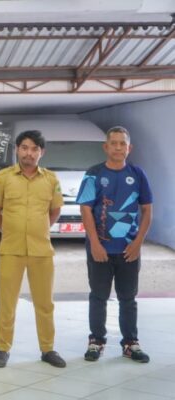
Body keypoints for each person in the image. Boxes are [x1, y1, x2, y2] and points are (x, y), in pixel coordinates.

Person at [0, 130, 66, 368]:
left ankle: (47, 349)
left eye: (34, 149)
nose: (28, 153)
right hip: (11, 249)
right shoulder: (2, 177)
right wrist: (8, 231)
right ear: (17, 150)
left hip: (41, 250)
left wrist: (39, 229)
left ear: (41, 152)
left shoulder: (51, 179)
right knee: (7, 302)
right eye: (24, 148)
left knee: (45, 303)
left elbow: (55, 211)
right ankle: (3, 349)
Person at [76, 126, 152, 363]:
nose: (118, 148)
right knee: (98, 296)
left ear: (129, 148)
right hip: (100, 250)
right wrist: (95, 243)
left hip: (129, 250)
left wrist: (138, 243)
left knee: (128, 298)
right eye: (114, 143)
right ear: (106, 147)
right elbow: (85, 209)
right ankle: (96, 341)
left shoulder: (138, 174)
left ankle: (130, 343)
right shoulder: (94, 174)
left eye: (123, 144)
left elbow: (147, 210)